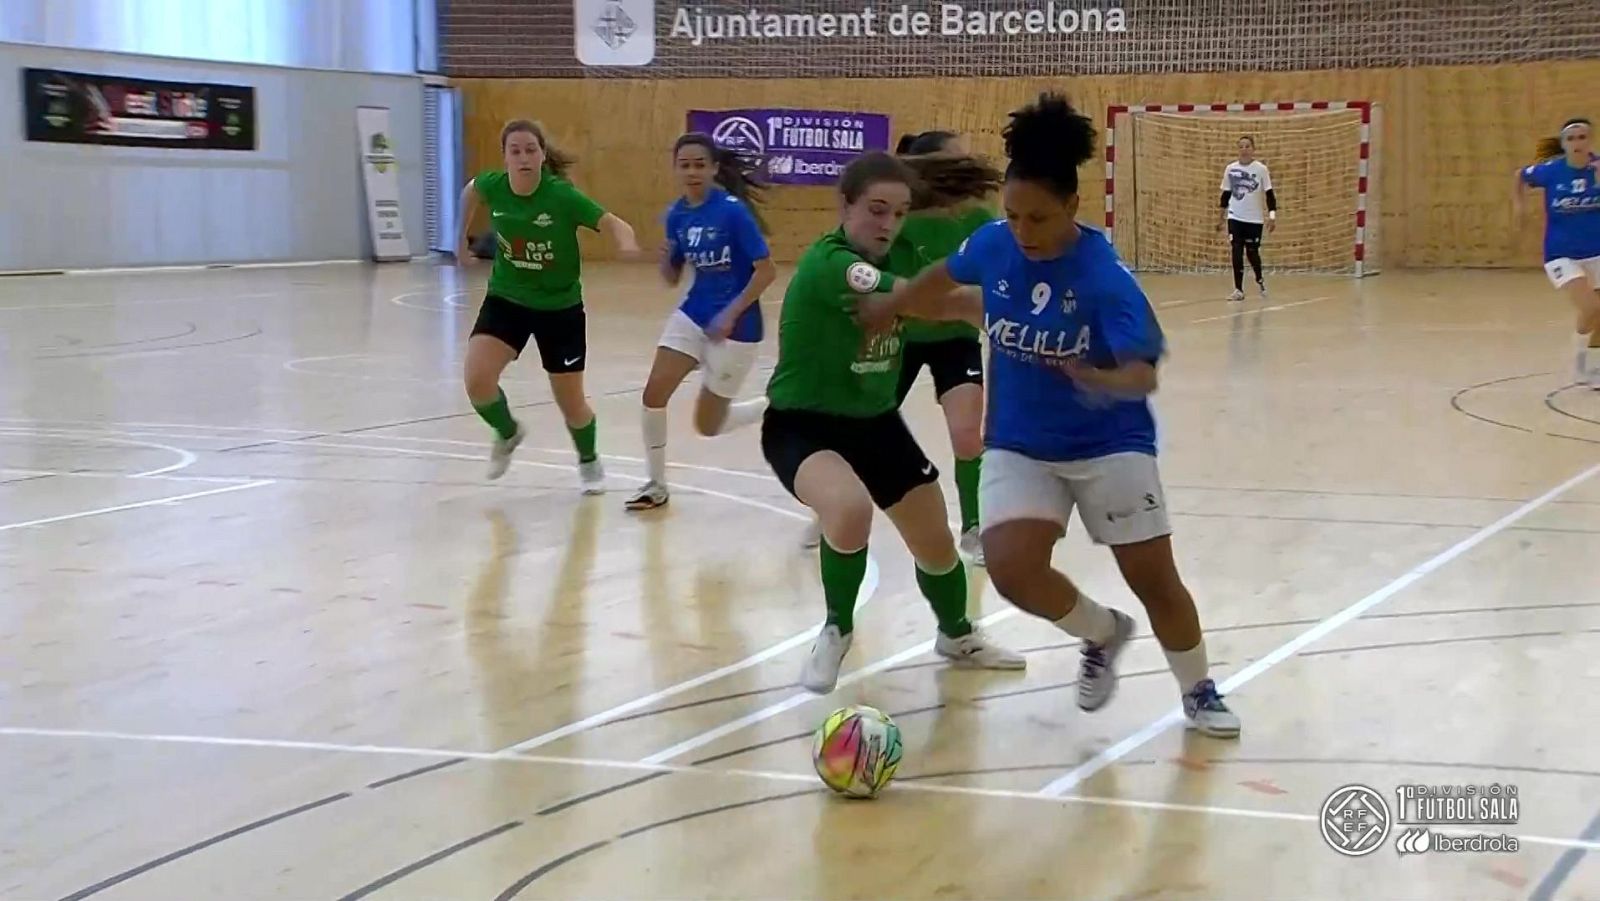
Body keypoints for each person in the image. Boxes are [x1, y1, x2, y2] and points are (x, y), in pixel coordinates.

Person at [859, 93, 1241, 737]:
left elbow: (1145, 370)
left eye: (1038, 218)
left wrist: (1101, 378)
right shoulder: (995, 244)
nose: (1023, 231)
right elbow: (943, 279)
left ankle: (1199, 688)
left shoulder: (1105, 277)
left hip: (1109, 441)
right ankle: (1101, 633)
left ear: (1072, 206)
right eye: (1012, 216)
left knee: (1155, 579)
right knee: (1009, 567)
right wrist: (890, 306)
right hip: (1021, 442)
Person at [762, 149, 1023, 694]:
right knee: (849, 508)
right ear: (845, 205)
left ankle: (956, 634)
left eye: (899, 213)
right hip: (803, 426)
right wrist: (1001, 309)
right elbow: (927, 303)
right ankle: (836, 628)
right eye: (876, 210)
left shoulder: (893, 263)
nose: (888, 224)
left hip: (876, 425)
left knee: (935, 541)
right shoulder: (835, 264)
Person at [456, 119, 641, 490]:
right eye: (515, 151)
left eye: (530, 150)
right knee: (477, 381)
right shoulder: (494, 185)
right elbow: (470, 191)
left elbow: (614, 223)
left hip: (560, 309)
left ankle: (588, 461)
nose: (523, 157)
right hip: (507, 299)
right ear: (505, 157)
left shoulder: (562, 197)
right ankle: (507, 432)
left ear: (542, 155)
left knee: (570, 402)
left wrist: (627, 243)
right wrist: (459, 240)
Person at [626, 133, 778, 511]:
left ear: (713, 168)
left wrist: (731, 312)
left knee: (708, 426)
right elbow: (672, 278)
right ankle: (655, 484)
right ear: (675, 168)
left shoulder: (732, 212)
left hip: (738, 327)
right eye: (684, 164)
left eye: (699, 164)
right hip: (694, 315)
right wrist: (665, 259)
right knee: (653, 393)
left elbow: (766, 271)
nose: (692, 171)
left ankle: (774, 405)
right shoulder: (676, 215)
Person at [889, 129, 996, 564]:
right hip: (900, 339)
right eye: (952, 161)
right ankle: (832, 509)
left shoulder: (978, 221)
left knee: (967, 435)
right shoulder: (896, 219)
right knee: (857, 431)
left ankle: (974, 528)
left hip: (956, 339)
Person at [1515, 117, 1600, 389]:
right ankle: (1578, 367)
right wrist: (1519, 207)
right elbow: (1520, 175)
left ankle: (1589, 366)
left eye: (1582, 137)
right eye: (1571, 139)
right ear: (1564, 144)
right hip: (1561, 254)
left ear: (1590, 140)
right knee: (1590, 306)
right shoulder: (1550, 171)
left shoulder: (1598, 168)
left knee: (1596, 313)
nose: (1577, 143)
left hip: (1596, 251)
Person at [1217, 136, 1276, 302]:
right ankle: (1238, 289)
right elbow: (1225, 195)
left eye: (1247, 146)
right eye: (1241, 146)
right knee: (1236, 250)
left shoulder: (1261, 169)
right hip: (1235, 217)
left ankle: (1259, 279)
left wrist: (1272, 216)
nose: (1244, 149)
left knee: (1252, 253)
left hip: (1254, 220)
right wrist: (1221, 218)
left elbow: (1270, 195)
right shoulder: (1230, 169)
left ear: (1253, 149)